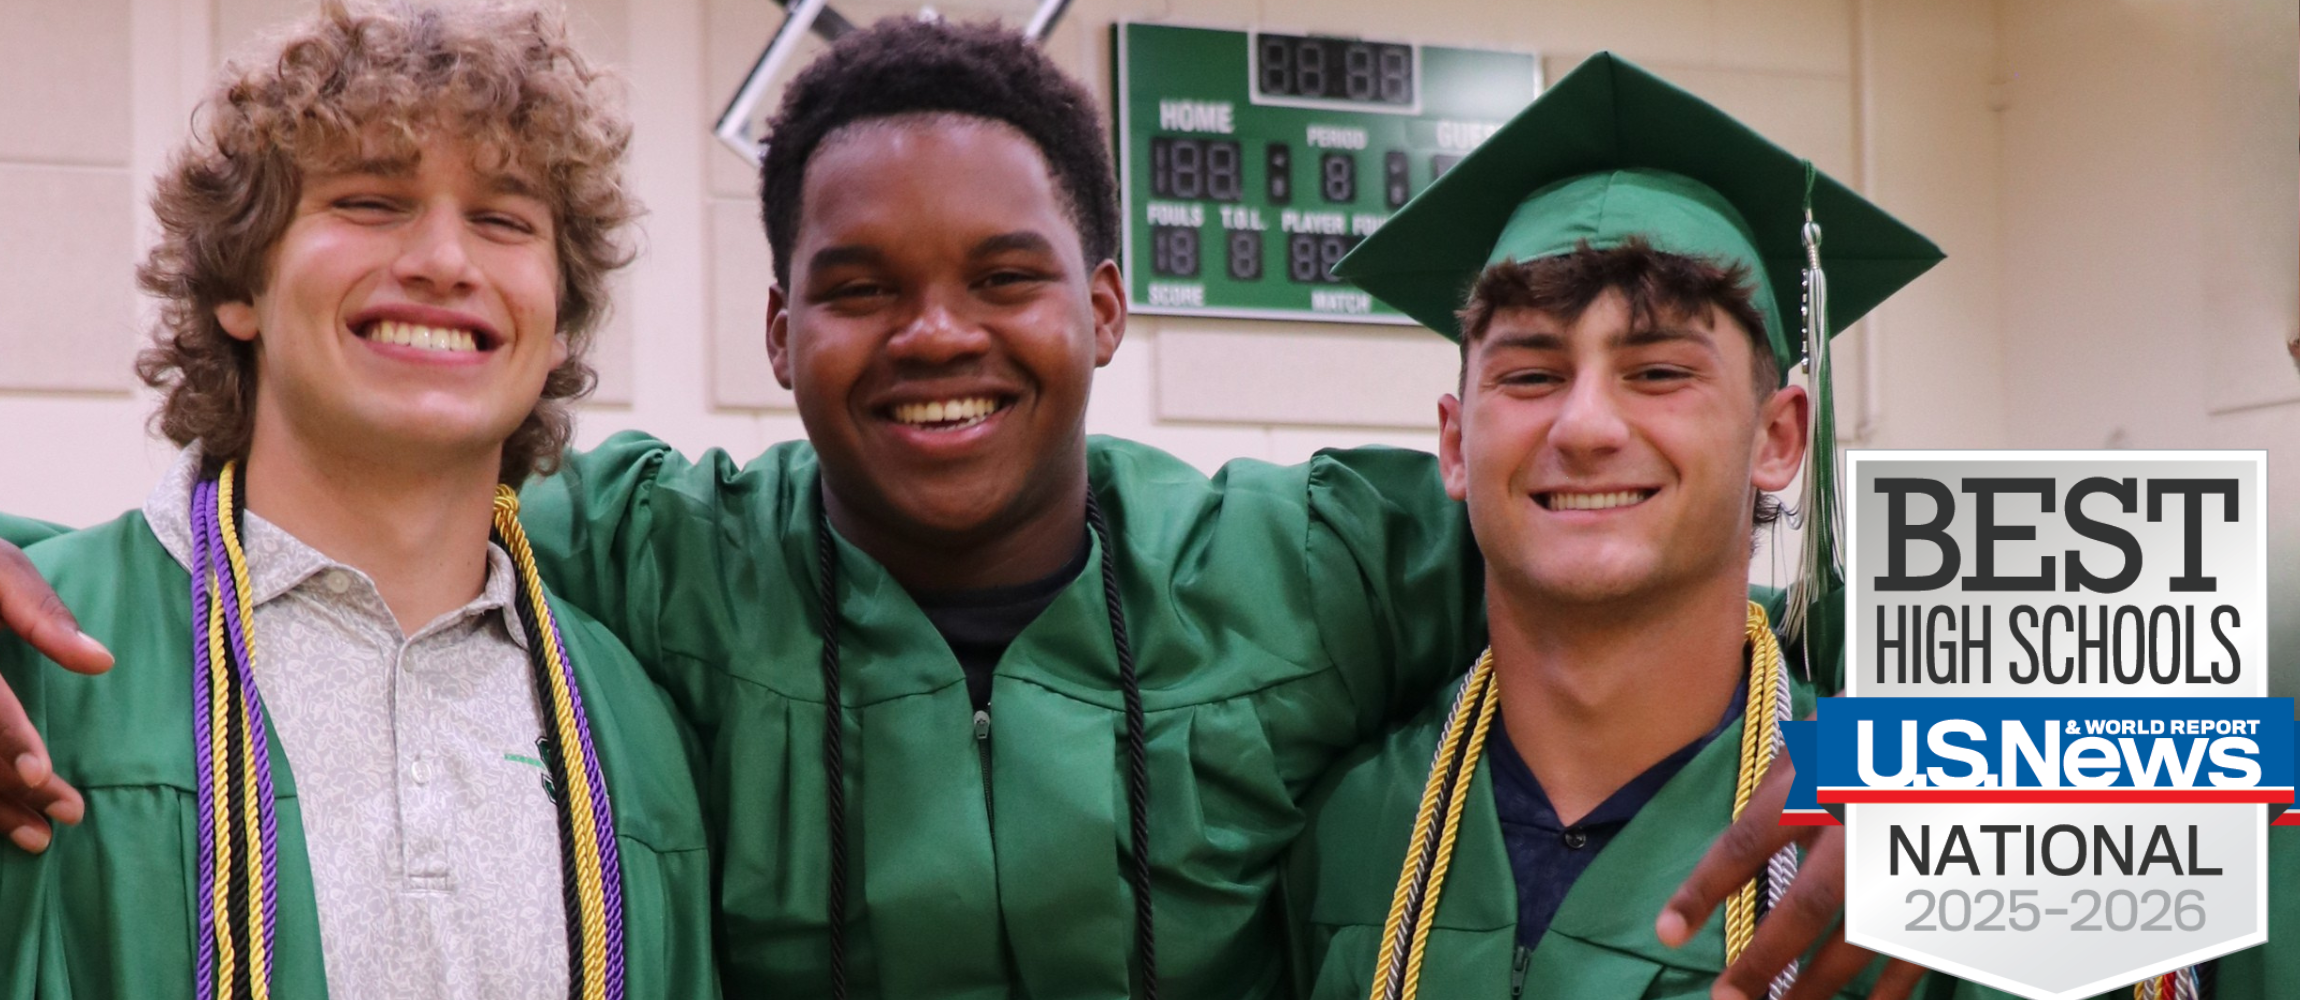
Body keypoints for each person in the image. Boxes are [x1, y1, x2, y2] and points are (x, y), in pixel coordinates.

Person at [0, 20, 1881, 1000]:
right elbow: (300, 532)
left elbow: (1652, 577)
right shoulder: (644, 562)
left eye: (1004, 275)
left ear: (1108, 313)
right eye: (859, 287)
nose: (935, 337)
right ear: (776, 331)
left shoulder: (1314, 565)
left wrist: (2007, 774)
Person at [1283, 52, 2296, 1000]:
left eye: (1659, 371)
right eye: (1530, 374)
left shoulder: (1960, 826)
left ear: (1779, 435)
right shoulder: (1339, 826)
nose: (1584, 424)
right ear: (1454, 444)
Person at [0, 3, 715, 997]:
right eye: (370, 202)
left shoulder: (632, 724)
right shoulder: (39, 661)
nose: (443, 260)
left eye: (503, 220)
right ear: (239, 285)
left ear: (559, 324)